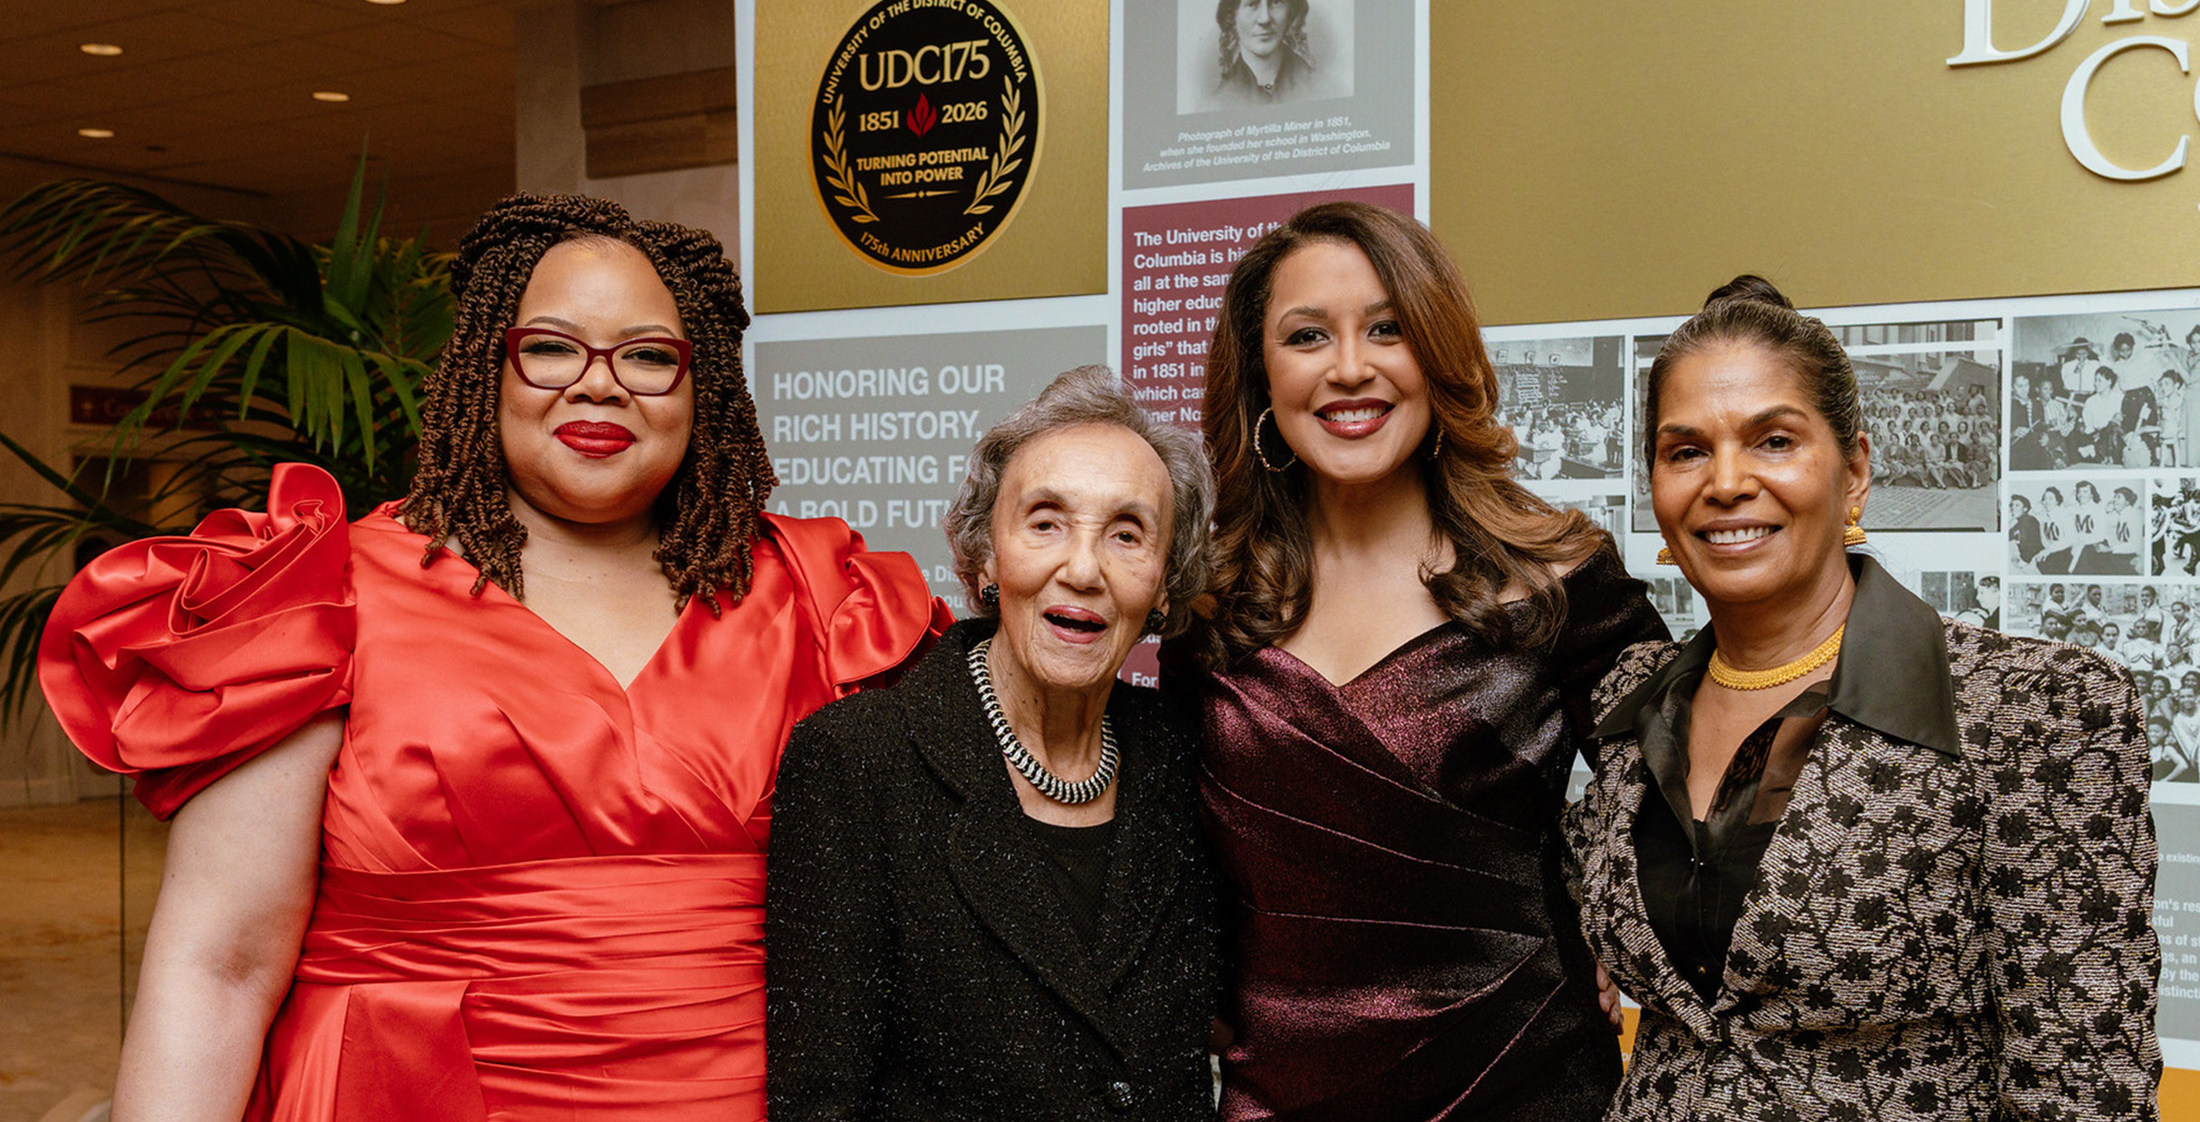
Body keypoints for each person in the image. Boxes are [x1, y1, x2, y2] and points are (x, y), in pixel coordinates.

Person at [36, 194, 951, 1121]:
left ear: (701, 384)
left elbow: (922, 936)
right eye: (551, 348)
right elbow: (221, 966)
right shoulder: (324, 594)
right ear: (486, 366)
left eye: (647, 356)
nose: (600, 385)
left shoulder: (821, 597)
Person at [1566, 276, 2158, 1118]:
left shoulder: (2033, 707)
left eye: (1774, 441)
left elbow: (2083, 1087)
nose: (1725, 482)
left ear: (1854, 471)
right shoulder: (1634, 702)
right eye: (1686, 450)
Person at [1168, 201, 1667, 1120]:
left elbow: (1687, 795)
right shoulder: (1207, 609)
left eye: (1388, 329)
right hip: (1281, 1093)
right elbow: (1169, 854)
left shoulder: (1555, 578)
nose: (1349, 367)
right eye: (1307, 335)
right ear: (1261, 374)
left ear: (1438, 354)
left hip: (1526, 1083)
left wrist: (1613, 919)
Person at [766, 366, 1218, 1121]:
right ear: (984, 556)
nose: (1084, 569)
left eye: (1127, 535)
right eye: (1045, 523)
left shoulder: (1185, 755)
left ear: (1165, 585)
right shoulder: (858, 762)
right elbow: (820, 1099)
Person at [1210, 0, 1314, 105]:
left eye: (1276, 2)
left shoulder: (1315, 83)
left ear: (1291, 11)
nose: (1265, 19)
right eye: (1252, 4)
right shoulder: (1220, 100)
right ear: (1232, 16)